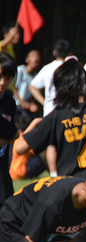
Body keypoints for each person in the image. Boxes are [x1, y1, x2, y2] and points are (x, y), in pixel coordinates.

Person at [30, 39, 71, 117]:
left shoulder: (47, 68)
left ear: (54, 53)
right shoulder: (72, 69)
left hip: (50, 110)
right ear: (69, 53)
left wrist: (45, 102)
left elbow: (32, 87)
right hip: (67, 111)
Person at [0, 52, 18, 206]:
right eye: (0, 76)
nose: (3, 82)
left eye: (8, 78)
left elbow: (15, 133)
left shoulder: (9, 102)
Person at [13, 49, 41, 117]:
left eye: (37, 57)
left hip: (26, 106)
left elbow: (32, 95)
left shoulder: (36, 76)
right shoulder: (20, 70)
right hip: (16, 104)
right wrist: (22, 102)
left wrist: (32, 104)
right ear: (27, 60)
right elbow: (14, 88)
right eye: (33, 56)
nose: (35, 58)